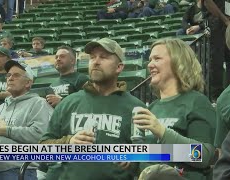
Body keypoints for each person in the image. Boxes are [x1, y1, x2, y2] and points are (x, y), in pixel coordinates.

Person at [39, 38, 146, 180]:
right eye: (92, 57)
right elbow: (43, 148)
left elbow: (149, 157)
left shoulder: (136, 108)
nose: (96, 61)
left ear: (119, 67)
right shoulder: (69, 102)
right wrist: (68, 143)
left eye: (103, 57)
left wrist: (133, 159)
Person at [133, 38, 216, 180]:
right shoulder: (152, 108)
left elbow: (204, 156)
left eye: (157, 58)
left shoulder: (197, 102)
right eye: (150, 59)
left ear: (178, 63)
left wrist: (163, 132)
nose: (150, 65)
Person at [0, 60, 53, 180]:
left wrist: (7, 130)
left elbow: (40, 136)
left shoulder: (38, 103)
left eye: (16, 75)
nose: (10, 78)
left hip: (19, 172)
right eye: (9, 75)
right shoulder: (1, 107)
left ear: (28, 83)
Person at [202, 0, 230, 100]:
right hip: (216, 23)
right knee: (216, 62)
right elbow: (208, 2)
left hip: (227, 24)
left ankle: (226, 95)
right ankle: (215, 98)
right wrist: (226, 21)